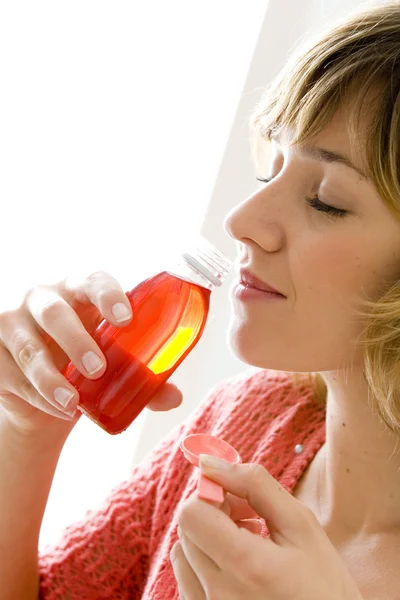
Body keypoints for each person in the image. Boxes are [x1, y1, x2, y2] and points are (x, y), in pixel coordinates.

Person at [1, 1, 400, 598]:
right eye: (272, 169)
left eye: (325, 199)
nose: (242, 221)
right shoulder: (248, 423)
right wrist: (26, 432)